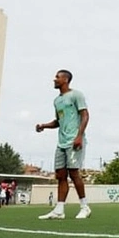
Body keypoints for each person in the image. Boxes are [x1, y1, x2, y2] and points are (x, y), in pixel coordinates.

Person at [35, 70, 91, 219]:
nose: (54, 79)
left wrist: (79, 136)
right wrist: (44, 125)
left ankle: (85, 207)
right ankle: (59, 210)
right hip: (61, 142)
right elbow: (58, 121)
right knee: (60, 175)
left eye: (57, 77)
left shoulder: (76, 95)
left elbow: (85, 115)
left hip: (74, 140)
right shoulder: (57, 100)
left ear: (65, 80)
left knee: (74, 173)